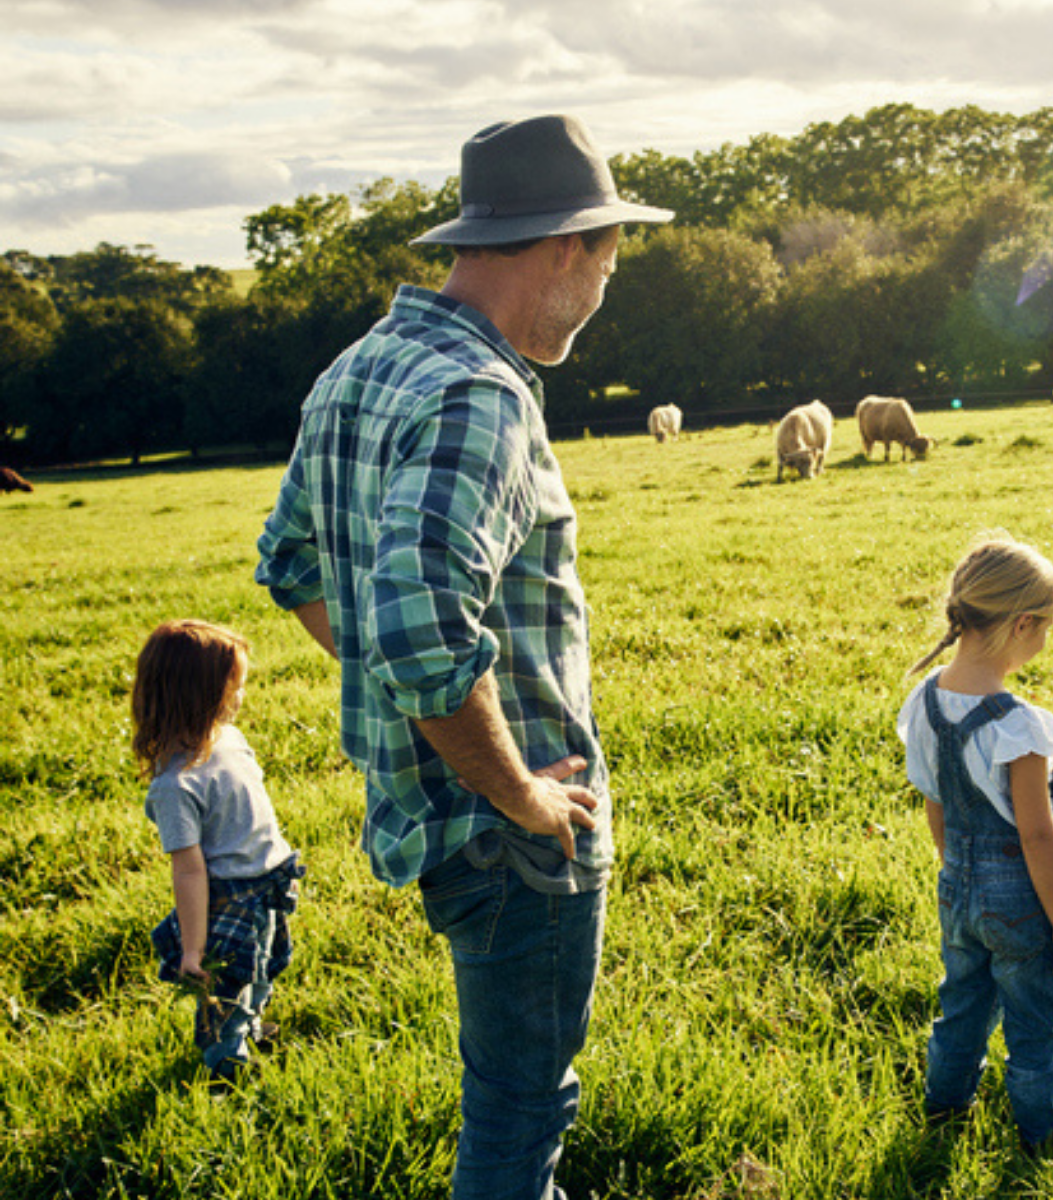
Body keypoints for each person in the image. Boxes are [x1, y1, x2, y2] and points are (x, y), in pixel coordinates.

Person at [254, 114, 672, 1200]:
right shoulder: (479, 396)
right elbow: (419, 628)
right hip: (512, 839)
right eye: (611, 261)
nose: (607, 287)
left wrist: (411, 703)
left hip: (433, 817)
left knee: (513, 1101)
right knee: (520, 1113)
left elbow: (292, 563)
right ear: (567, 247)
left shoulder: (359, 368)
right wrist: (519, 789)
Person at [895, 534, 1053, 1158]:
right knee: (1032, 1026)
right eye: (1046, 627)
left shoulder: (925, 700)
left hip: (956, 887)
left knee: (962, 1007)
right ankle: (1040, 1138)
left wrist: (955, 870)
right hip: (1021, 903)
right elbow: (1037, 834)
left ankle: (944, 1108)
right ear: (1021, 624)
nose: (1045, 640)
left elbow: (935, 799)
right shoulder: (1017, 727)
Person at [132, 619, 304, 1083]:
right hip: (230, 895)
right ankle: (226, 1065)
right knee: (229, 985)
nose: (242, 695)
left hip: (269, 881)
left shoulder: (227, 739)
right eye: (236, 686)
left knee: (264, 966)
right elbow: (188, 872)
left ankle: (250, 1025)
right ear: (201, 694)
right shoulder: (175, 786)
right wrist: (193, 949)